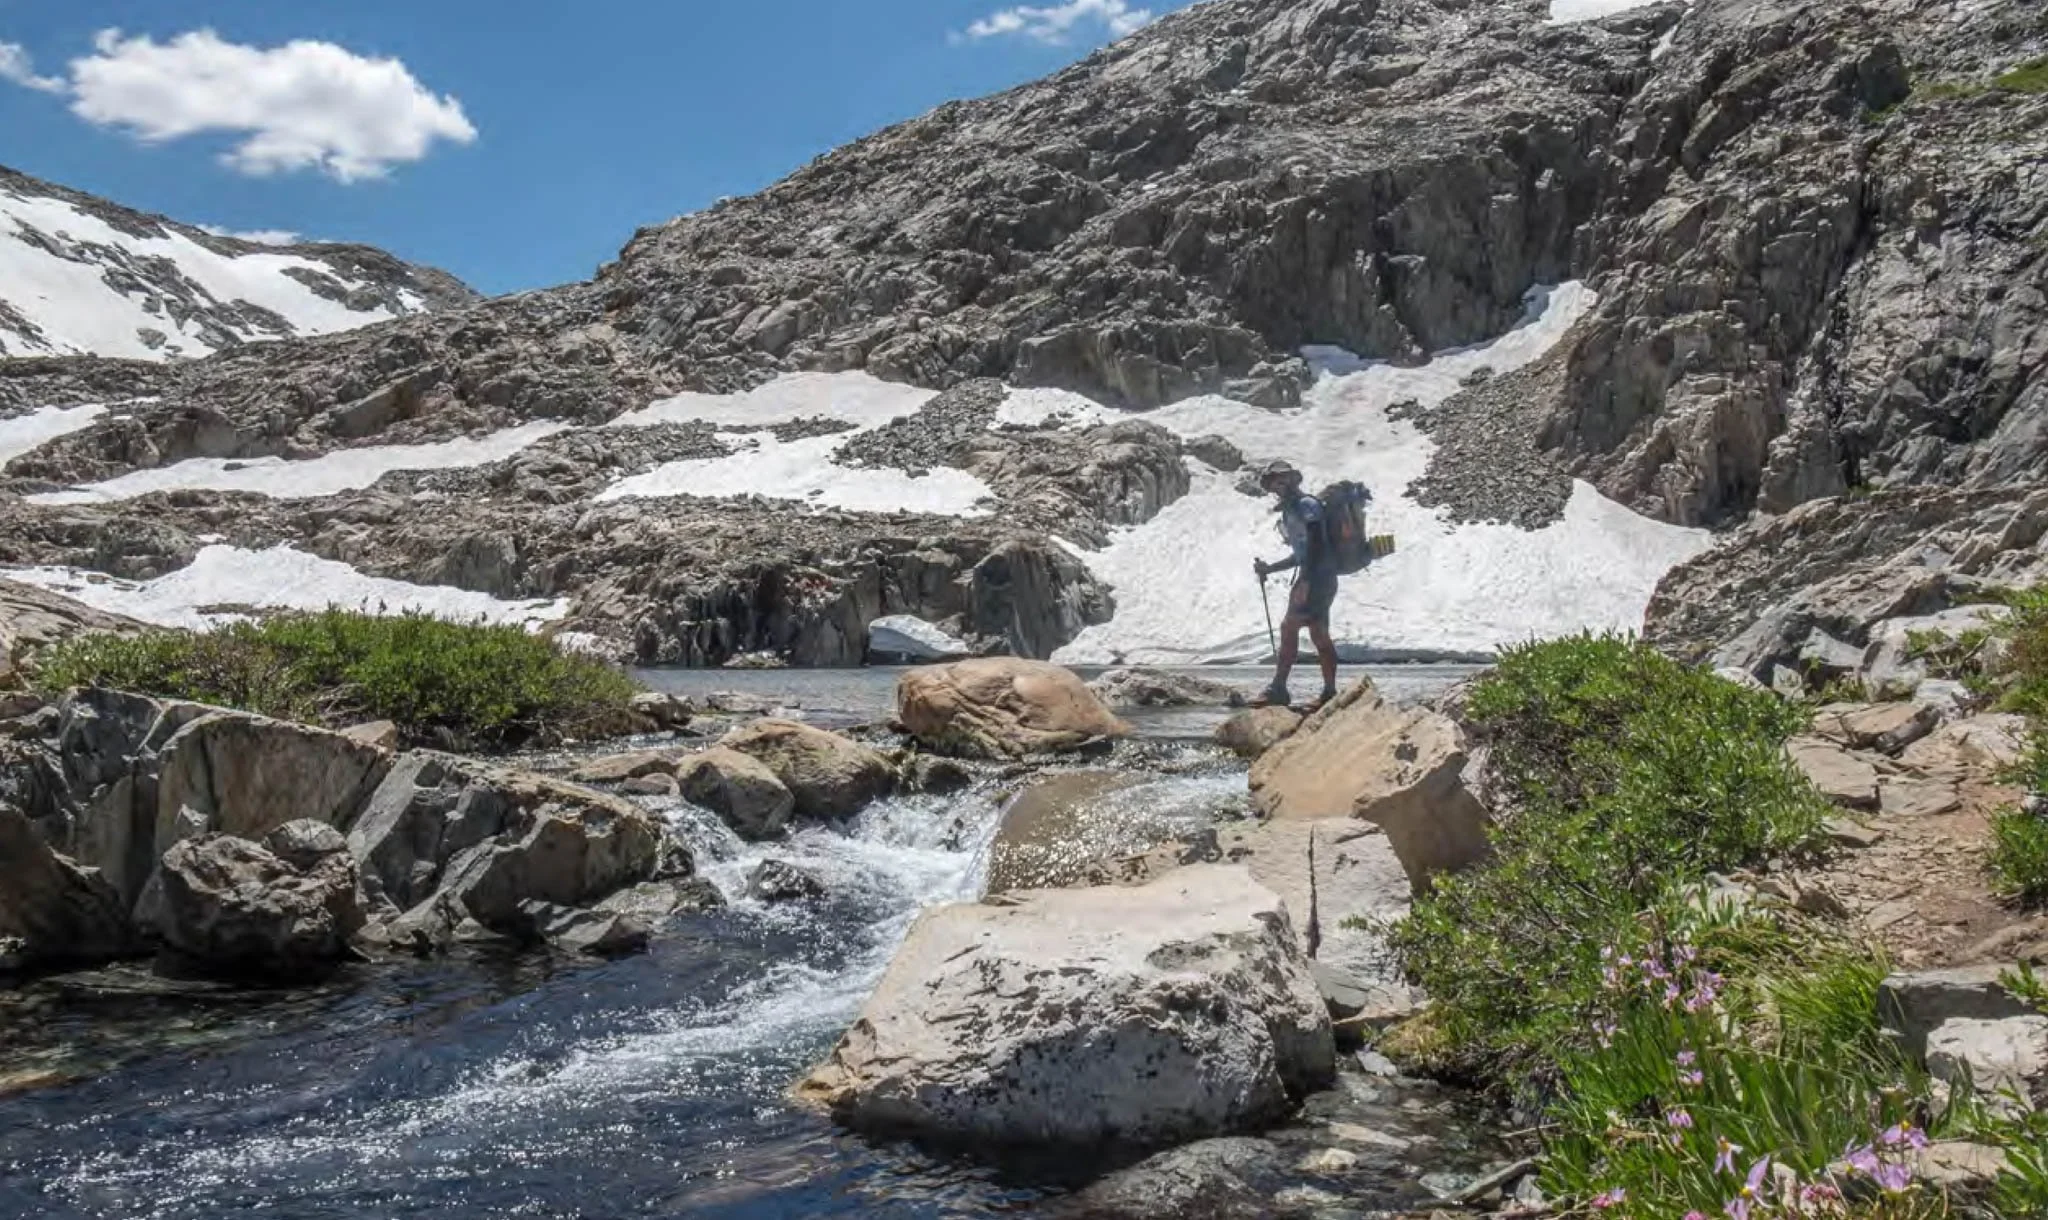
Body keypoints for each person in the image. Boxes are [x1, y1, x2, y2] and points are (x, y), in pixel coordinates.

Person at [1251, 459, 1340, 710]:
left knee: (1290, 627)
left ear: (1291, 480)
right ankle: (1329, 692)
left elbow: (1316, 545)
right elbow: (1300, 554)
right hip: (1321, 577)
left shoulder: (1306, 505)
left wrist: (1307, 581)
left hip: (1315, 578)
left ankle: (1279, 688)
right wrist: (1270, 568)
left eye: (1280, 480)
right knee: (1318, 633)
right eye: (1274, 483)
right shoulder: (1292, 511)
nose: (1277, 487)